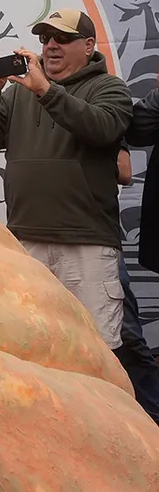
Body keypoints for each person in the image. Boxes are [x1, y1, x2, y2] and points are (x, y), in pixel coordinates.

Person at [0, 8, 132, 358]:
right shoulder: (18, 93)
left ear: (88, 46)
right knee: (36, 349)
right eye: (45, 39)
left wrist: (46, 91)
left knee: (96, 354)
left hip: (85, 244)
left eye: (63, 38)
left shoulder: (109, 87)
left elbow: (102, 129)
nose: (51, 45)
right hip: (27, 242)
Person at [111, 142, 159, 425]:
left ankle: (153, 414)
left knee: (125, 332)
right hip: (30, 231)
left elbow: (124, 171)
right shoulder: (24, 108)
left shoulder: (96, 108)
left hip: (91, 235)